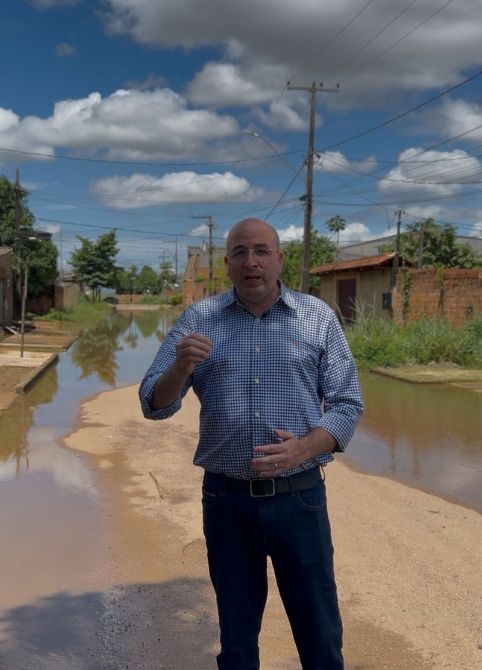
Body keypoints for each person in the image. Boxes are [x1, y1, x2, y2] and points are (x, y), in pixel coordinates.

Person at [139, 217, 364, 670]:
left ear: (280, 259)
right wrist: (179, 369)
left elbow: (346, 404)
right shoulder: (197, 320)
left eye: (261, 251)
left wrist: (303, 448)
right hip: (226, 503)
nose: (252, 261)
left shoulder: (318, 318)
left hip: (300, 499)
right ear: (226, 264)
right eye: (240, 252)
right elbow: (153, 403)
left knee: (320, 634)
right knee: (237, 638)